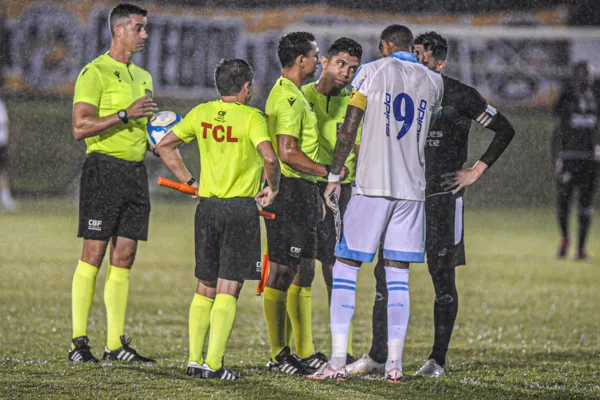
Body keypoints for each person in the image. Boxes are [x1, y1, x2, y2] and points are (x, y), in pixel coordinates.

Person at [346, 31, 515, 378]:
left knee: (442, 278)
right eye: (415, 53)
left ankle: (437, 359)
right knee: (384, 275)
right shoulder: (397, 88)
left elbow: (505, 129)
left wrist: (475, 171)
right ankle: (378, 356)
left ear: (440, 62)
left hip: (441, 198)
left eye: (423, 56)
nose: (416, 61)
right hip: (406, 195)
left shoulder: (457, 93)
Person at [309, 24, 444, 383]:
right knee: (398, 274)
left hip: (372, 185)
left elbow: (350, 127)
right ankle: (395, 365)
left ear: (385, 46)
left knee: (346, 267)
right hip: (411, 190)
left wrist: (335, 175)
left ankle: (338, 360)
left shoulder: (369, 72)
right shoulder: (433, 81)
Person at [157, 59, 280, 380]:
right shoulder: (253, 117)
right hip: (240, 209)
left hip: (207, 208)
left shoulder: (201, 113)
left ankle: (195, 360)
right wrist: (272, 187)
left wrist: (189, 181)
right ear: (246, 87)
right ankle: (214, 364)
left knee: (205, 286)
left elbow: (165, 145)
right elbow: (269, 156)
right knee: (229, 288)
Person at [69, 3, 158, 363]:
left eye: (145, 28)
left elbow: (145, 130)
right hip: (103, 170)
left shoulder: (144, 77)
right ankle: (78, 342)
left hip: (135, 174)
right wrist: (124, 114)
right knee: (94, 254)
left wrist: (162, 142)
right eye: (139, 28)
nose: (145, 35)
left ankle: (115, 345)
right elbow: (80, 127)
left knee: (125, 257)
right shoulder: (95, 72)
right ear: (118, 30)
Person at [262, 31, 346, 376]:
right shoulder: (288, 98)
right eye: (314, 55)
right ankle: (280, 353)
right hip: (290, 191)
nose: (317, 60)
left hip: (303, 191)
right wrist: (329, 172)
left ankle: (304, 350)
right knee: (283, 271)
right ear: (301, 61)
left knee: (304, 270)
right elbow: (287, 152)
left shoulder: (295, 95)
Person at [301, 37, 362, 364]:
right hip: (304, 188)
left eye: (353, 68)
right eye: (341, 64)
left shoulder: (356, 102)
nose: (347, 73)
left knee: (337, 270)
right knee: (299, 269)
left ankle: (343, 348)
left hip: (341, 191)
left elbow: (362, 149)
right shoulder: (301, 97)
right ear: (323, 61)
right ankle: (300, 349)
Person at [553, 61, 599, 260]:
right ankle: (565, 238)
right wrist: (556, 158)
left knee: (586, 205)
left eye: (587, 74)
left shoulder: (597, 98)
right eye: (580, 74)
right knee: (563, 201)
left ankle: (580, 249)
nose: (584, 78)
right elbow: (557, 131)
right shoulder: (566, 98)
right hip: (570, 157)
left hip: (591, 158)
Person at [0, 96, 17, 211]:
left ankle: (6, 198)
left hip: (2, 143)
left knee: (3, 171)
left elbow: (5, 123)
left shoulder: (1, 103)